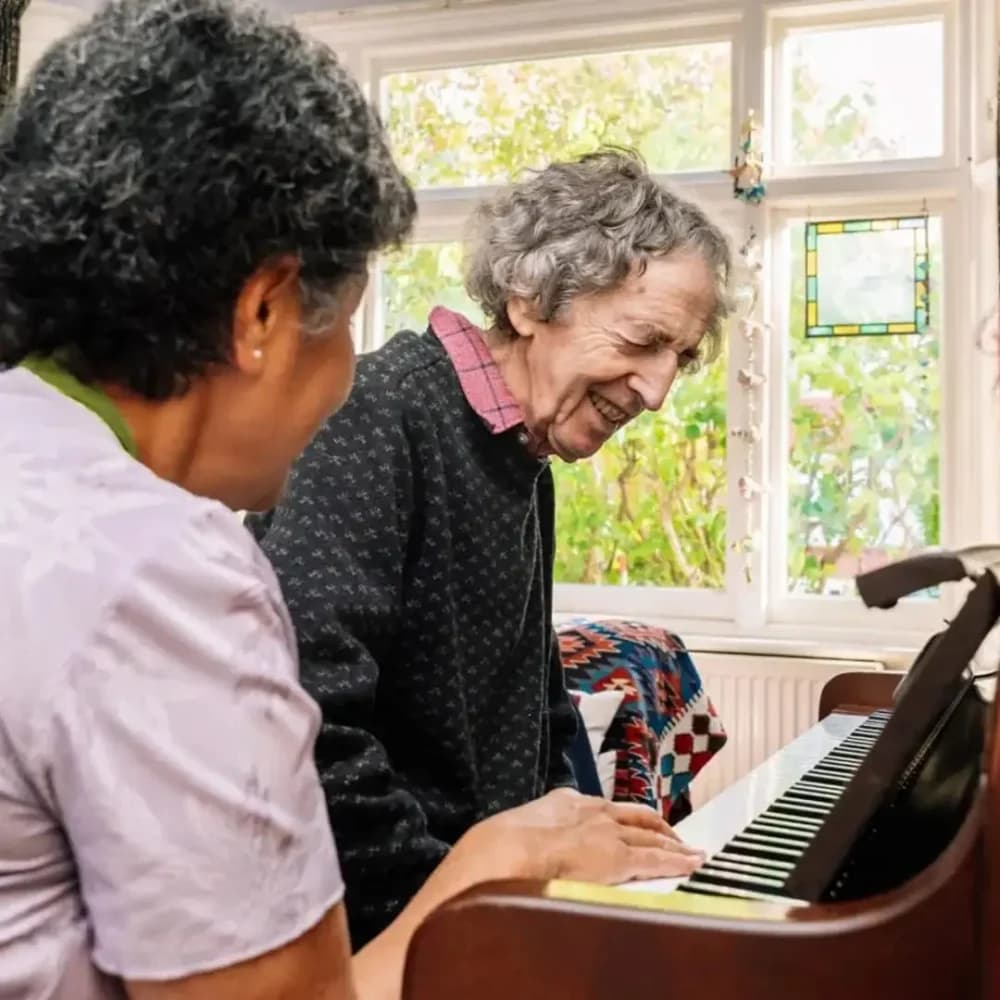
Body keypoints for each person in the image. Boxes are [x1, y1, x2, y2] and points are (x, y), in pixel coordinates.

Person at [0, 3, 704, 999]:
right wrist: (481, 873)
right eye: (342, 326)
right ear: (261, 313)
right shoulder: (159, 565)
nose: (345, 374)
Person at [250, 148, 732, 948]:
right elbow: (305, 726)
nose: (656, 392)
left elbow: (535, 710)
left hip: (487, 908)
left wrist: (577, 848)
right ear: (532, 297)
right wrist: (469, 912)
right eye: (644, 339)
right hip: (392, 934)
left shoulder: (526, 462)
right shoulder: (375, 417)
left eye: (678, 358)